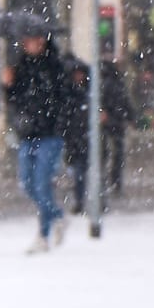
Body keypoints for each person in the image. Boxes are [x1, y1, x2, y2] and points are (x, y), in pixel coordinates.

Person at [4, 31, 69, 253]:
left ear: (42, 41)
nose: (27, 44)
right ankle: (57, 216)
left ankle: (43, 235)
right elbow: (14, 100)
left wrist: (57, 121)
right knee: (27, 183)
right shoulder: (20, 67)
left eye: (31, 40)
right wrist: (8, 85)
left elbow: (64, 97)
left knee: (42, 185)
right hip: (27, 134)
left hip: (50, 134)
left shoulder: (54, 66)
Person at [99, 58, 135, 197]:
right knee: (116, 154)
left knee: (105, 154)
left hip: (107, 123)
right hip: (116, 123)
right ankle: (115, 181)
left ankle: (105, 181)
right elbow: (125, 102)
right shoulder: (118, 84)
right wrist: (130, 117)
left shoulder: (102, 84)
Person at [62, 56, 94, 215]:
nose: (78, 77)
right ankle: (79, 199)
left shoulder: (89, 93)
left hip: (85, 138)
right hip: (73, 138)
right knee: (76, 171)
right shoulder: (69, 94)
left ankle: (81, 200)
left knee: (82, 171)